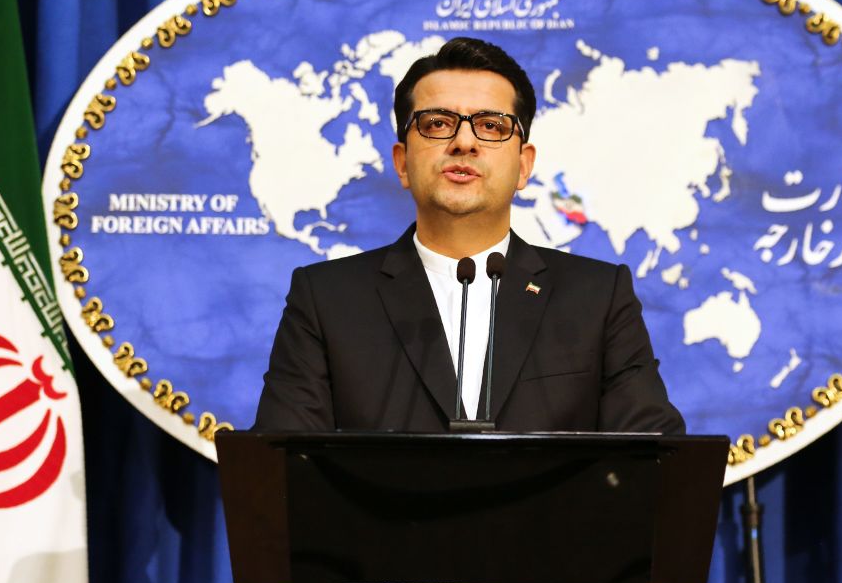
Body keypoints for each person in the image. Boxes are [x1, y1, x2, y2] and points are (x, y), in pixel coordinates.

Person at [253, 37, 684, 434]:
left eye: (492, 126)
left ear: (524, 165)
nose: (464, 142)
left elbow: (654, 458)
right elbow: (282, 470)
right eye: (437, 124)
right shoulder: (327, 300)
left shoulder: (596, 298)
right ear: (402, 163)